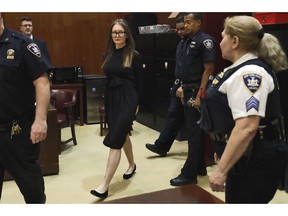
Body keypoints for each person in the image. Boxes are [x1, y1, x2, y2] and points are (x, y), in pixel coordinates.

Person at [200, 15, 288, 203]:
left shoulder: (250, 74)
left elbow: (247, 126)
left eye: (223, 37)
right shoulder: (237, 69)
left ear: (235, 41)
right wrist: (223, 147)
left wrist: (221, 169)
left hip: (255, 159)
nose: (220, 42)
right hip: (244, 155)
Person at [159, 12, 217, 187]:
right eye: (184, 22)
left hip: (196, 92)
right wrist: (182, 87)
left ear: (198, 23)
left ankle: (189, 174)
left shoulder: (204, 41)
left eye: (189, 22)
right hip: (187, 89)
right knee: (194, 132)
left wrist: (200, 94)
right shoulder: (186, 41)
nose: (186, 25)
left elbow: (208, 69)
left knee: (194, 134)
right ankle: (199, 168)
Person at [0, 13, 51, 203]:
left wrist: (40, 120)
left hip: (17, 131)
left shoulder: (22, 45)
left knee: (32, 190)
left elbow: (42, 83)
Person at [90, 18, 142, 199]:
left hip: (128, 98)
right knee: (122, 134)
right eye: (114, 32)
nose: (117, 35)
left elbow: (141, 83)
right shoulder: (108, 54)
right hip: (112, 98)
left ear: (127, 35)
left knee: (115, 140)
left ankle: (104, 185)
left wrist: (137, 104)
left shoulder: (134, 55)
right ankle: (132, 165)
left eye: (120, 32)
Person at [145, 16, 189, 157]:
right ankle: (161, 146)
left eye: (182, 28)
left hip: (189, 87)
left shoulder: (196, 43)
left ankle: (199, 154)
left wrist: (184, 85)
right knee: (173, 115)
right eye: (177, 29)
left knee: (191, 121)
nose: (180, 32)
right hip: (178, 84)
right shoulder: (181, 44)